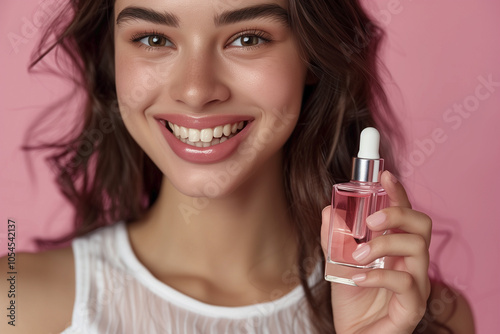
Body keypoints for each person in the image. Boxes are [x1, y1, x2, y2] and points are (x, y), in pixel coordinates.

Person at [0, 0, 475, 333]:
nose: (195, 89)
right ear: (111, 57)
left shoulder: (425, 318)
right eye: (152, 38)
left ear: (312, 55)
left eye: (247, 38)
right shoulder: (15, 306)